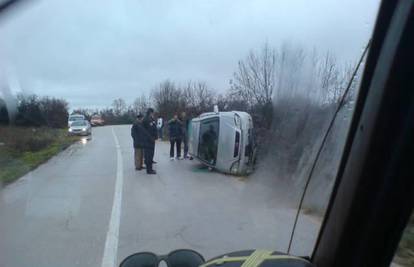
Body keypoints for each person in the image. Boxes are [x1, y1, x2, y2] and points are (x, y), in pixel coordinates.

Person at [142, 108, 158, 174]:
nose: (153, 114)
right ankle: (149, 170)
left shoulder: (151, 119)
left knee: (150, 154)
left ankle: (150, 168)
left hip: (151, 139)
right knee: (149, 155)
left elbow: (154, 128)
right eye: (152, 112)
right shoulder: (146, 119)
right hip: (148, 140)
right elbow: (146, 131)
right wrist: (150, 138)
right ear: (150, 112)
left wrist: (155, 137)